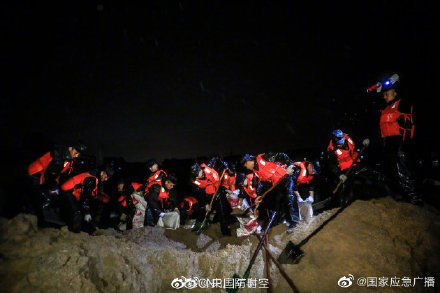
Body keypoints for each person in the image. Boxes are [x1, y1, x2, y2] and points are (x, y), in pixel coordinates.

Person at [378, 76, 420, 204]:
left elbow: (410, 119)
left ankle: (414, 197)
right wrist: (378, 89)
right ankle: (400, 195)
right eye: (383, 94)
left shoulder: (402, 103)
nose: (384, 96)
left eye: (387, 94)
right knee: (391, 171)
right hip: (388, 142)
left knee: (402, 170)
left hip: (400, 141)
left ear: (395, 93)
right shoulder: (385, 108)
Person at [27, 142, 87, 226]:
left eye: (79, 154)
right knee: (40, 197)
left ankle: (41, 218)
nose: (77, 155)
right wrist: (53, 188)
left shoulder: (69, 159)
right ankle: (35, 218)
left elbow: (60, 175)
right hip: (36, 174)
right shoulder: (59, 156)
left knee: (50, 195)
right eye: (76, 152)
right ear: (70, 148)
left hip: (44, 177)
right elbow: (52, 174)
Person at [240, 153, 296, 230]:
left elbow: (280, 155)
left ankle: (293, 222)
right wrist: (260, 196)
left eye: (245, 164)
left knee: (287, 199)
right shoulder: (256, 172)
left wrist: (290, 164)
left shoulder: (263, 158)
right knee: (274, 201)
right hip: (276, 183)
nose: (245, 166)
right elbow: (265, 185)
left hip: (286, 178)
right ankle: (280, 220)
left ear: (249, 161)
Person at [60, 166, 114, 233]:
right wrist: (87, 212)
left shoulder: (95, 177)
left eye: (108, 178)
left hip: (72, 192)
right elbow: (86, 197)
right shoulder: (92, 179)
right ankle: (75, 233)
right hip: (68, 191)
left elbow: (89, 195)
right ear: (102, 173)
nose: (106, 179)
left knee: (82, 210)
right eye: (106, 177)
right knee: (77, 212)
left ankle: (84, 229)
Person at [326, 129, 370, 205]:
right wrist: (340, 175)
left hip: (356, 161)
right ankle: (345, 202)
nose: (340, 145)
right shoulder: (331, 150)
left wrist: (363, 140)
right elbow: (332, 165)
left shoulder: (348, 137)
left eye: (341, 143)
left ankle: (368, 195)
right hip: (345, 169)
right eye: (338, 145)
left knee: (367, 175)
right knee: (347, 185)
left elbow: (357, 138)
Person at [190, 161, 232, 235]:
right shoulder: (195, 180)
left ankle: (226, 233)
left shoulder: (208, 170)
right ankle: (197, 229)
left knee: (222, 212)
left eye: (197, 174)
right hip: (207, 195)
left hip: (217, 192)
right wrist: (205, 203)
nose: (197, 177)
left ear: (200, 170)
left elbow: (217, 181)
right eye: (195, 176)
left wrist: (220, 190)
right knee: (203, 210)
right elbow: (199, 193)